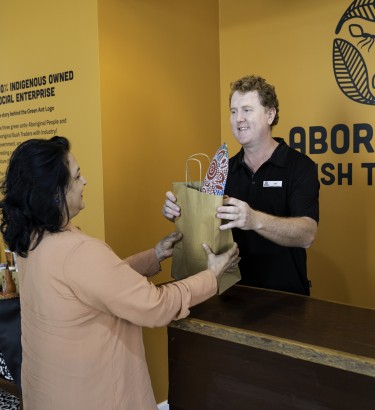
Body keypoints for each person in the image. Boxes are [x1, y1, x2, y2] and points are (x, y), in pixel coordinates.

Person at [0, 136, 240, 410]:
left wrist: (155, 255)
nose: (85, 182)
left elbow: (94, 286)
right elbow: (155, 306)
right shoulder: (79, 251)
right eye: (77, 177)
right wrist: (212, 275)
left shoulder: (30, 242)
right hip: (94, 397)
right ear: (56, 193)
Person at [163, 74, 319, 296]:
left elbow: (307, 235)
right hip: (229, 293)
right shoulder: (223, 168)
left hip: (285, 298)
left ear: (270, 114)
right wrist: (181, 213)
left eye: (247, 110)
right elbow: (207, 225)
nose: (238, 119)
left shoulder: (299, 166)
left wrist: (254, 220)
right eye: (234, 111)